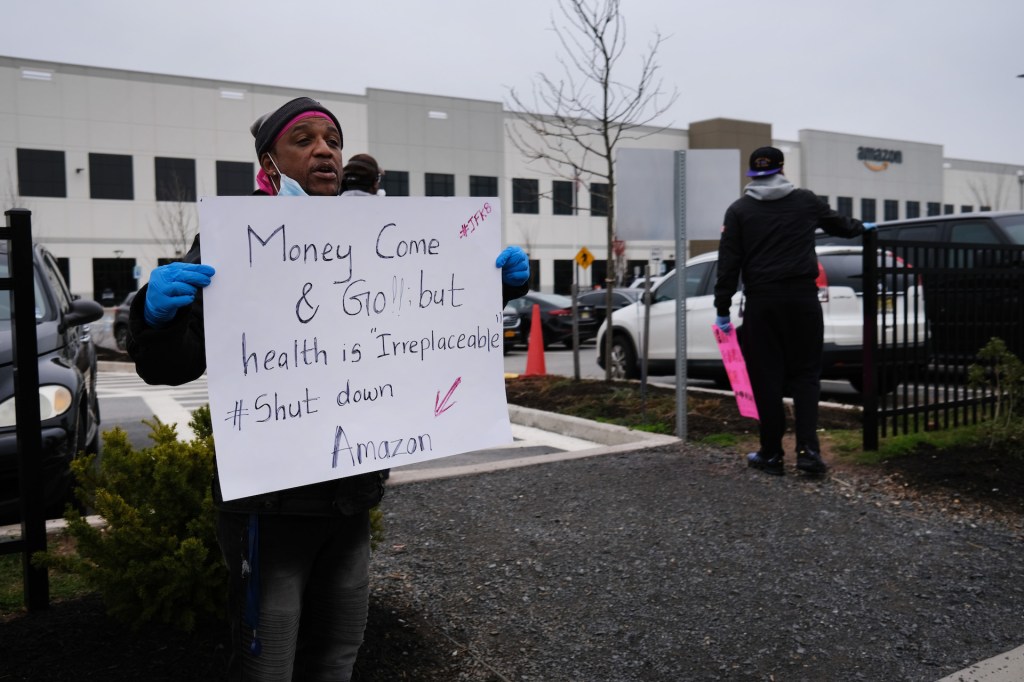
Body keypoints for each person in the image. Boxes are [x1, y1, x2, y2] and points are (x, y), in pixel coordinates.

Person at [126, 96, 530, 681]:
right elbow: (171, 367)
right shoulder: (235, 239)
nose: (324, 151)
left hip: (350, 498)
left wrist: (487, 285)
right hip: (268, 505)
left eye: (333, 141)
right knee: (268, 663)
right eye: (305, 139)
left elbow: (414, 325)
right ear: (269, 159)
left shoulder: (369, 239)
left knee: (339, 655)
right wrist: (153, 315)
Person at [713, 146, 873, 477]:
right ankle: (808, 454)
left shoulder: (739, 210)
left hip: (762, 302)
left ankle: (771, 455)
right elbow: (841, 226)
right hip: (803, 300)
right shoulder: (805, 201)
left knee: (766, 378)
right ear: (782, 169)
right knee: (805, 376)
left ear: (752, 174)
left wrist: (722, 309)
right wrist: (864, 227)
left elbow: (729, 264)